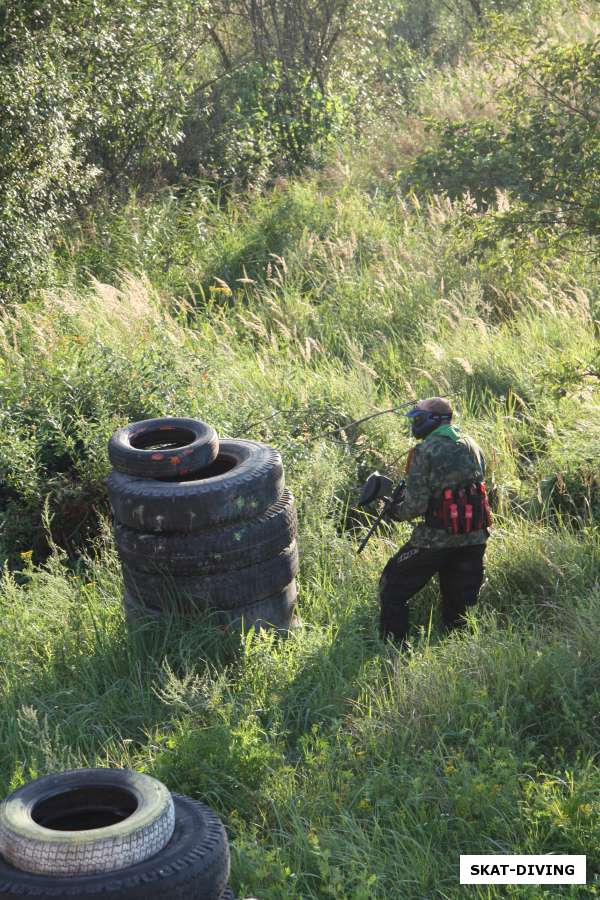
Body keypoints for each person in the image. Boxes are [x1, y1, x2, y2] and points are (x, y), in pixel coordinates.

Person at [378, 397, 491, 645]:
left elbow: (415, 505)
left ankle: (393, 649)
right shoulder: (472, 444)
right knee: (460, 604)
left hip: (434, 540)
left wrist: (394, 512)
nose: (415, 424)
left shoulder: (425, 451)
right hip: (474, 537)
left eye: (418, 419)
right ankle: (459, 650)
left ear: (434, 420)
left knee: (392, 587)